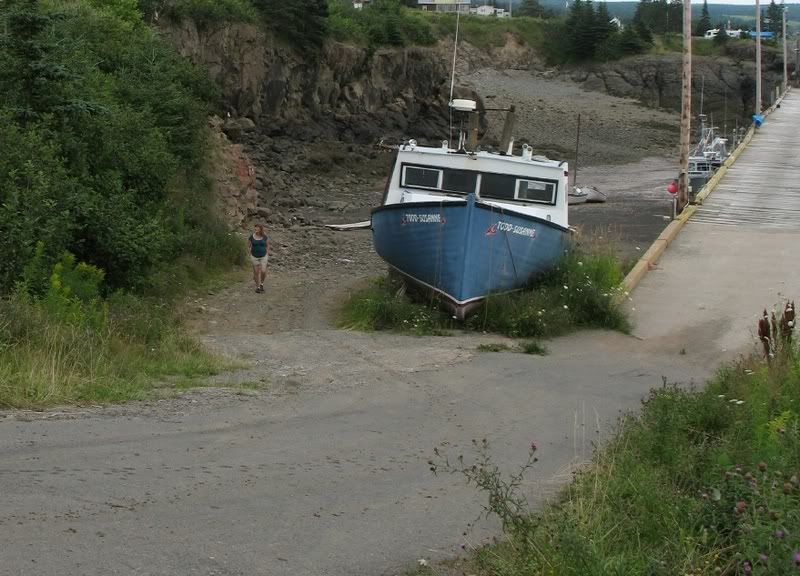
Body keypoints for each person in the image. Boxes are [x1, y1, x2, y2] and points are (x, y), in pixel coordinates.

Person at [248, 224, 269, 293]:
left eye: (257, 228)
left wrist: (267, 253)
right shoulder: (251, 237)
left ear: (260, 229)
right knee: (256, 272)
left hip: (263, 256)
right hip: (254, 256)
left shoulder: (264, 237)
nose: (255, 229)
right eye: (255, 228)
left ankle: (262, 283)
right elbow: (248, 245)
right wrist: (249, 253)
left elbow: (267, 245)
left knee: (263, 271)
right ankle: (258, 287)